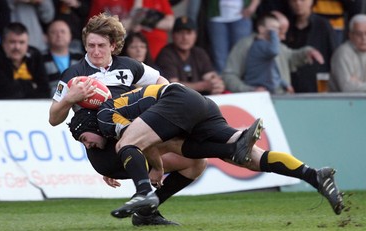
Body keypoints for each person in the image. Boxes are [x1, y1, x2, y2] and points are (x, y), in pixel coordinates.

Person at [70, 82, 344, 219]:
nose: (87, 144)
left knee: (125, 143)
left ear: (89, 123)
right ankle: (314, 175)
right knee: (247, 158)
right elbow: (155, 139)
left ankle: (143, 196)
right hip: (198, 108)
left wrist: (156, 167)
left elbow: (140, 141)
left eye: (83, 138)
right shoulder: (117, 113)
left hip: (177, 98)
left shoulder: (106, 115)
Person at [48, 13, 207, 226]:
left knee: (196, 163)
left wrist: (152, 105)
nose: (95, 51)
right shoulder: (74, 75)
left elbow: (163, 83)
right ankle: (232, 148)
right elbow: (53, 118)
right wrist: (70, 99)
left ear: (113, 45)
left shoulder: (129, 66)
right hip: (106, 150)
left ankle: (146, 211)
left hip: (136, 137)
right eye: (90, 45)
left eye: (101, 45)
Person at [223, 10, 324, 93]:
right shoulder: (245, 45)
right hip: (257, 102)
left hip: (282, 100)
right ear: (263, 28)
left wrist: (307, 52)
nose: (283, 37)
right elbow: (229, 75)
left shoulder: (278, 46)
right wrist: (250, 90)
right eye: (278, 31)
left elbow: (290, 58)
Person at [0, 22, 50, 99]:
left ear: (27, 43)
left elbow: (45, 91)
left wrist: (17, 86)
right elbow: (1, 92)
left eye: (21, 42)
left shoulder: (35, 55)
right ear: (3, 43)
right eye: (12, 42)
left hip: (29, 107)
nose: (17, 47)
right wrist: (31, 85)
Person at [156, 16, 226, 95]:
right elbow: (172, 85)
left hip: (201, 99)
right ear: (173, 35)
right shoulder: (166, 54)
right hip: (177, 100)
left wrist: (216, 84)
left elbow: (210, 76)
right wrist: (203, 86)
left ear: (195, 35)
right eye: (180, 33)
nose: (185, 37)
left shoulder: (199, 52)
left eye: (189, 33)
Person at [88, 0, 175, 59]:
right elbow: (94, 27)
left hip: (158, 54)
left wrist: (143, 22)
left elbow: (170, 23)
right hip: (125, 54)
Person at [283, 0, 338, 92]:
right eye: (293, 1)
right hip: (291, 86)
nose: (298, 3)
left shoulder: (323, 25)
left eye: (303, 0)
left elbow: (334, 55)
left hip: (317, 85)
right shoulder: (286, 26)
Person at [204, 0, 261, 74]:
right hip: (216, 16)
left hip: (241, 15)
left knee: (240, 56)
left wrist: (253, 6)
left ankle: (237, 83)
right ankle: (222, 83)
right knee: (219, 58)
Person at [43, 19, 83, 95]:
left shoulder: (80, 58)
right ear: (47, 37)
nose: (59, 35)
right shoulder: (40, 58)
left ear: (70, 35)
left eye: (63, 32)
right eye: (54, 32)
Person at [329, 14, 366, 92]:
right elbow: (347, 88)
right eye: (359, 34)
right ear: (350, 35)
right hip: (341, 103)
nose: (364, 38)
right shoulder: (342, 53)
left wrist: (359, 85)